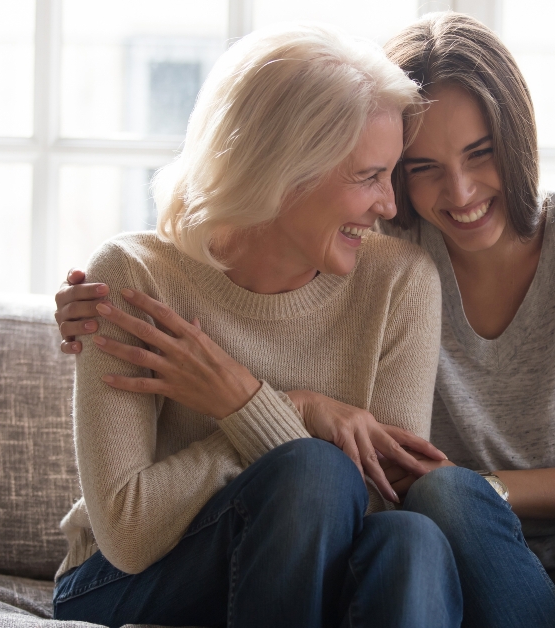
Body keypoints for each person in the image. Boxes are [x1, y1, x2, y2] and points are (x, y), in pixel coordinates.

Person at [56, 12, 555, 628]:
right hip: (435, 544)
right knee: (403, 505)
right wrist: (99, 312)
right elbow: (233, 243)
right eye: (415, 169)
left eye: (480, 153)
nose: (460, 192)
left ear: (516, 135)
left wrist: (484, 491)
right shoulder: (384, 250)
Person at [50, 23, 464, 628]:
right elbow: (129, 533)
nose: (390, 206)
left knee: (413, 542)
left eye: (391, 174)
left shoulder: (399, 282)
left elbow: (382, 500)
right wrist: (292, 411)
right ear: (286, 170)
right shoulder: (138, 276)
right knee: (314, 472)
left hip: (304, 570)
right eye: (368, 176)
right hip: (128, 578)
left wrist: (244, 403)